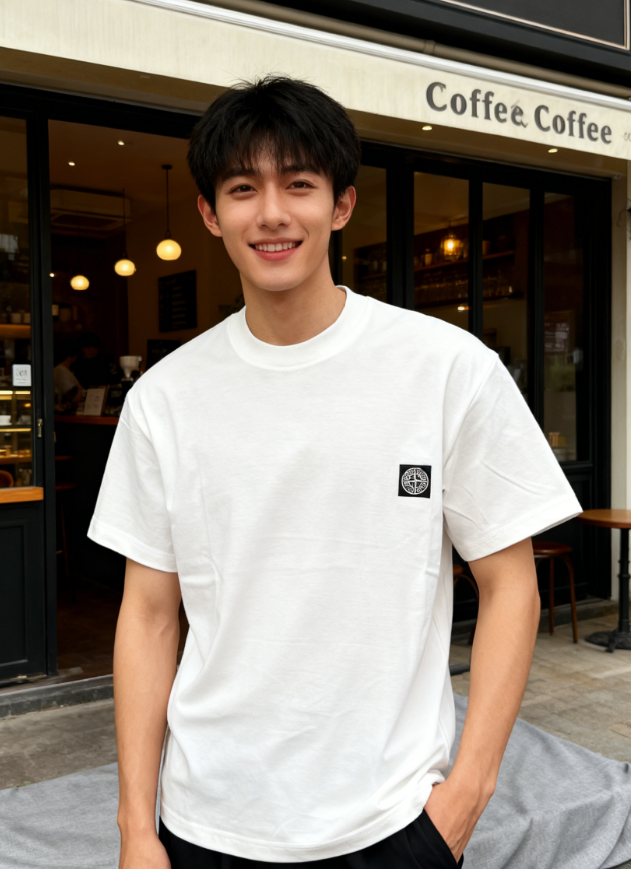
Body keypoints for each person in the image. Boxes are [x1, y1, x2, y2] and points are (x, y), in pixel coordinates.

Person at [88, 75, 582, 869]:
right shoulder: (165, 397)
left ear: (341, 204)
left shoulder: (444, 367)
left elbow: (509, 584)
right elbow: (147, 615)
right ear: (210, 214)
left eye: (298, 184)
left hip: (391, 820)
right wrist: (134, 828)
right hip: (206, 820)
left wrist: (466, 793)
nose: (271, 213)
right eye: (242, 189)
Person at [53, 340, 83, 411]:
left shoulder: (59, 369)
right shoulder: (62, 371)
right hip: (64, 410)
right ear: (73, 356)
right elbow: (74, 398)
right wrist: (80, 390)